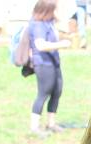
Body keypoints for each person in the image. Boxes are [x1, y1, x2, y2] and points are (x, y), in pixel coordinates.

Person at [26, 0, 70, 136]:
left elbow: (63, 27)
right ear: (47, 9)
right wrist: (61, 44)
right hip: (43, 64)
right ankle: (34, 127)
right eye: (55, 8)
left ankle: (51, 124)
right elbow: (40, 45)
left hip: (53, 63)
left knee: (57, 91)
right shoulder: (38, 25)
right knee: (43, 94)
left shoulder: (48, 22)